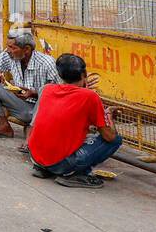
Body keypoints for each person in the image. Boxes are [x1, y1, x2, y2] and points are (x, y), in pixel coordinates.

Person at [28, 54, 121, 188]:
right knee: (116, 139)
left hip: (35, 157)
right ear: (84, 74)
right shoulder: (90, 96)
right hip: (61, 164)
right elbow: (109, 136)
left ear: (60, 75)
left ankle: (44, 168)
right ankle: (75, 174)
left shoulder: (47, 89)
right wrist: (109, 116)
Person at [0, 27, 58, 140]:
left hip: (40, 111)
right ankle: (4, 126)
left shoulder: (47, 63)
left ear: (27, 49)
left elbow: (59, 93)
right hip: (19, 105)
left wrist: (33, 93)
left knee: (46, 90)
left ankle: (32, 130)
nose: (8, 50)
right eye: (8, 46)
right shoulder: (9, 55)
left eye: (12, 47)